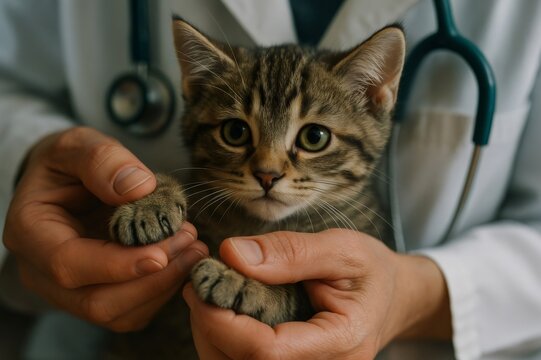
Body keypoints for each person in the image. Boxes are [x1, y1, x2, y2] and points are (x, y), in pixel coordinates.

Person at [1, 0, 540, 359]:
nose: (268, 169)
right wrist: (32, 157)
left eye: (312, 138)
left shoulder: (358, 222)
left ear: (375, 95)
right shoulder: (208, 192)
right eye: (238, 131)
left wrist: (417, 295)